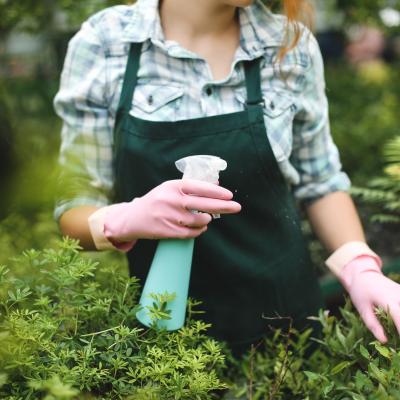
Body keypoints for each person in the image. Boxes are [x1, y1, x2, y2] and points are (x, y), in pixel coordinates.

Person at [54, 0, 400, 356]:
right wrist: (121, 219)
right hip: (165, 355)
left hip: (286, 339)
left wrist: (361, 268)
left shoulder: (290, 46)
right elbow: (73, 207)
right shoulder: (107, 42)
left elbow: (320, 182)